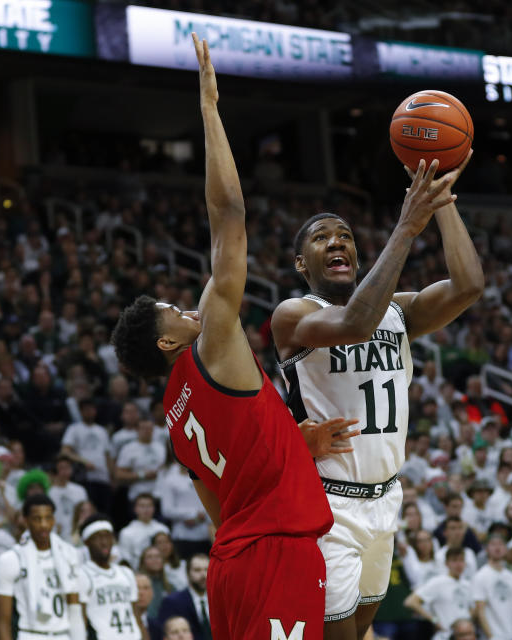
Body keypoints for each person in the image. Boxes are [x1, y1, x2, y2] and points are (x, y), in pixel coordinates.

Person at [110, 34, 356, 640]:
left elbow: (226, 508)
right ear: (167, 343)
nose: (183, 308)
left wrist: (292, 447)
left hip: (231, 566)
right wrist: (211, 112)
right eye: (171, 310)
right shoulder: (212, 345)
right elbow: (229, 219)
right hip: (276, 554)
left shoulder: (174, 413)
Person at [272, 66, 481, 640]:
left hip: (385, 499)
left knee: (363, 627)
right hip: (327, 504)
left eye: (343, 234)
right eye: (321, 238)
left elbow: (467, 286)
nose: (337, 241)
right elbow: (355, 321)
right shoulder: (295, 315)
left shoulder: (399, 310)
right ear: (301, 264)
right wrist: (406, 229)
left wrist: (439, 200)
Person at [0, 494, 84, 640]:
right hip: (31, 634)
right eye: (37, 519)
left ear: (54, 519)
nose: (43, 524)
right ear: (25, 520)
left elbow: (74, 608)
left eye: (48, 518)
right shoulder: (11, 559)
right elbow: (3, 621)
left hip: (64, 634)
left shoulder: (69, 554)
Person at [77, 514, 144, 640]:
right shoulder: (82, 574)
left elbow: (137, 617)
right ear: (87, 542)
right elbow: (81, 620)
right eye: (97, 537)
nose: (104, 542)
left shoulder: (126, 573)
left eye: (108, 536)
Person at [401, 548, 471, 640]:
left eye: (461, 560)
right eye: (454, 560)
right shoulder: (438, 582)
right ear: (446, 563)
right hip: (446, 635)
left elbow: (472, 608)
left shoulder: (467, 584)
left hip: (466, 635)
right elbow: (410, 602)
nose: (458, 564)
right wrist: (435, 621)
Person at [472, 533, 512, 640]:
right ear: (486, 549)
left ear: (506, 549)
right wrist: (490, 636)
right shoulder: (480, 576)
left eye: (500, 544)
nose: (497, 548)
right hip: (495, 636)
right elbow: (480, 610)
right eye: (493, 544)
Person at [157, 554, 210, 640]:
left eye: (207, 570)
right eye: (197, 570)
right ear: (188, 573)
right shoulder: (172, 602)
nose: (203, 575)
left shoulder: (220, 601)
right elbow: (164, 633)